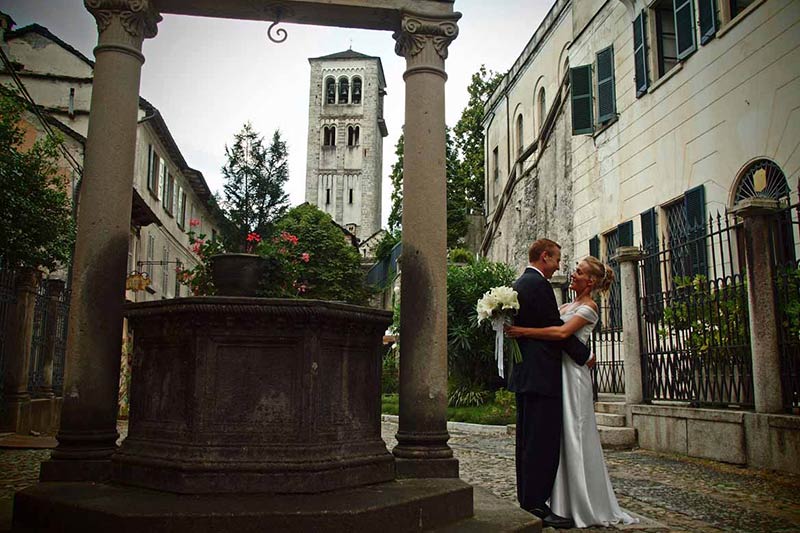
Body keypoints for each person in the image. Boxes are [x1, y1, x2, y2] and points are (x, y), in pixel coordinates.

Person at [506, 256, 638, 528]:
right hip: (557, 374)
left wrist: (522, 331)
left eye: (578, 271)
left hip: (574, 377)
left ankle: (583, 501)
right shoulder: (567, 304)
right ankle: (561, 500)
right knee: (559, 438)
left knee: (575, 434)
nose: (572, 273)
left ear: (590, 281)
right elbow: (553, 327)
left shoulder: (589, 307)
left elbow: (561, 334)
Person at [506, 239, 592, 529]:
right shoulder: (539, 285)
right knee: (541, 443)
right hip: (542, 376)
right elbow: (556, 329)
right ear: (544, 257)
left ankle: (528, 499)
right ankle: (536, 504)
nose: (559, 265)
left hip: (526, 375)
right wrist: (584, 355)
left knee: (527, 442)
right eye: (556, 259)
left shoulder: (520, 283)